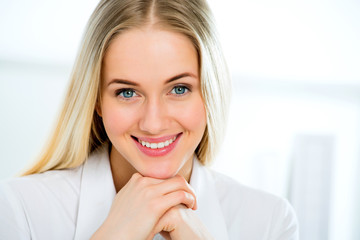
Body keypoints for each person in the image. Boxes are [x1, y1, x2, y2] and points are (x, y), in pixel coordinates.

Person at [0, 0, 299, 239]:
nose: (153, 124)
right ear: (96, 101)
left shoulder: (270, 222)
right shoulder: (20, 209)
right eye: (128, 92)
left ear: (210, 93)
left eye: (179, 89)